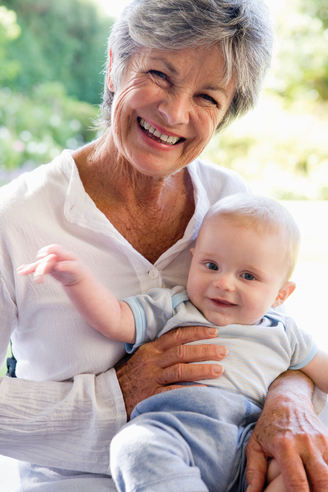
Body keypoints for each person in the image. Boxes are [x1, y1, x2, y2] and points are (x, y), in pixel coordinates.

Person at [0, 1, 327, 491]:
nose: (174, 113)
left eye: (208, 98)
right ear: (114, 66)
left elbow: (277, 337)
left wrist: (288, 397)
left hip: (229, 466)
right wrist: (119, 395)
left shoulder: (230, 199)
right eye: (160, 74)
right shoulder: (17, 218)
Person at [18, 193, 326, 492]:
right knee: (133, 446)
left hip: (250, 441)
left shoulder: (285, 333)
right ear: (193, 261)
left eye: (247, 276)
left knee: (302, 467)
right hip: (172, 430)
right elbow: (115, 319)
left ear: (281, 295)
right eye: (211, 266)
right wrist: (77, 280)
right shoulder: (174, 306)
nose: (223, 282)